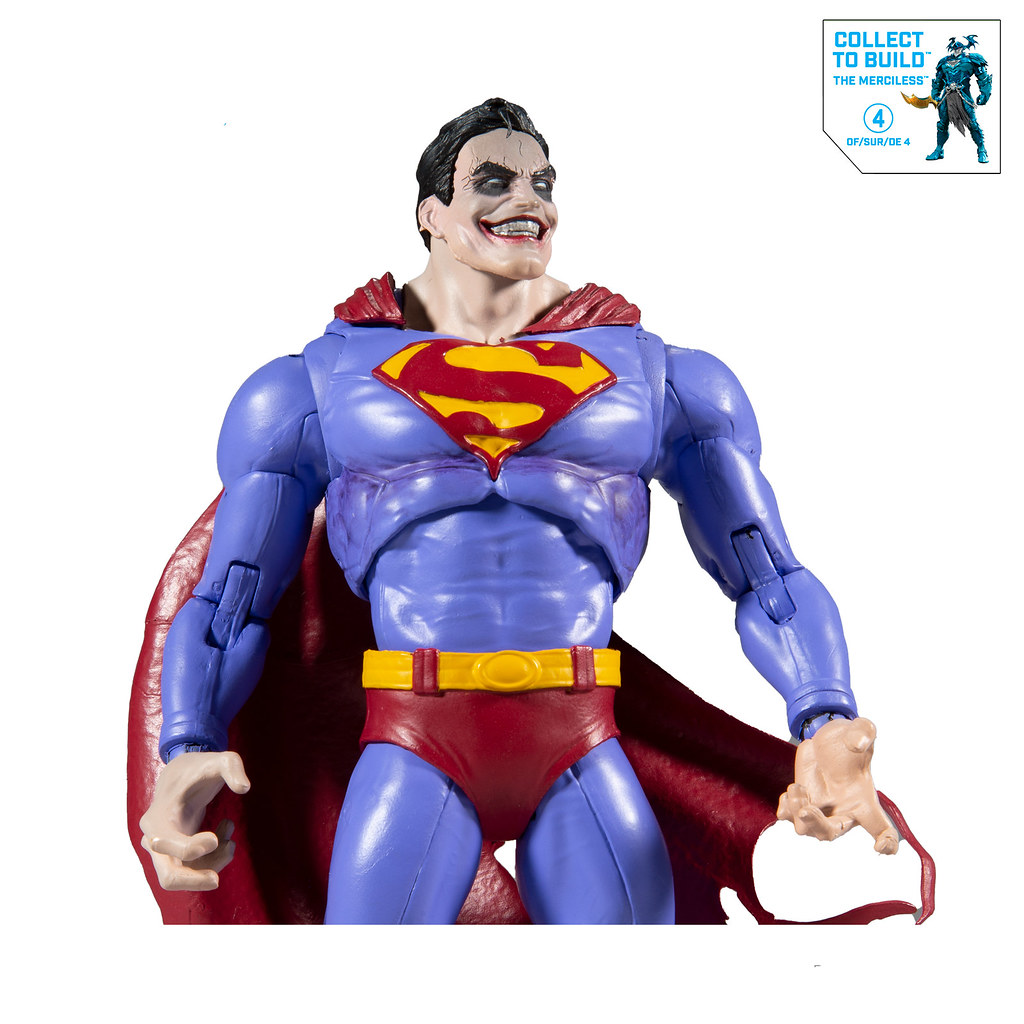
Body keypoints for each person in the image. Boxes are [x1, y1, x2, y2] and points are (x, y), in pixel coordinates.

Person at [139, 98, 898, 924]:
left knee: (639, 983)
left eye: (543, 182)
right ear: (431, 213)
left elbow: (767, 577)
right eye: (493, 181)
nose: (527, 200)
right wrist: (186, 743)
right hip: (414, 737)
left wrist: (825, 714)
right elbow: (229, 602)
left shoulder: (659, 379)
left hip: (577, 733)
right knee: (363, 982)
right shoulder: (320, 384)